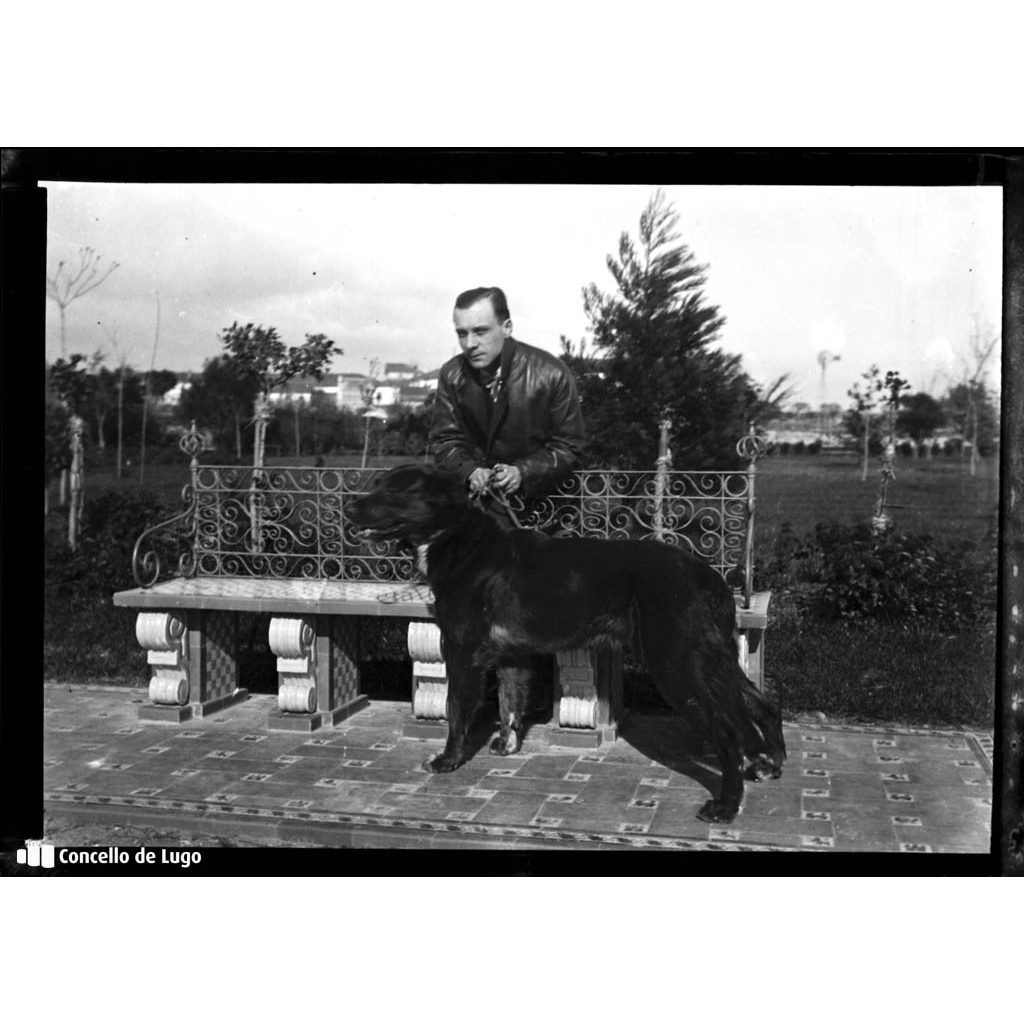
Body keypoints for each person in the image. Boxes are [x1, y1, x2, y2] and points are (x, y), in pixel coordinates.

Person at [430, 286, 585, 521]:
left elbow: (569, 447)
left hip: (547, 516)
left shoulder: (552, 373)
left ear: (507, 327)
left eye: (480, 331)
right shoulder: (451, 375)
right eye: (462, 334)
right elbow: (445, 442)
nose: (470, 343)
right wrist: (469, 470)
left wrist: (523, 472)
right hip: (481, 516)